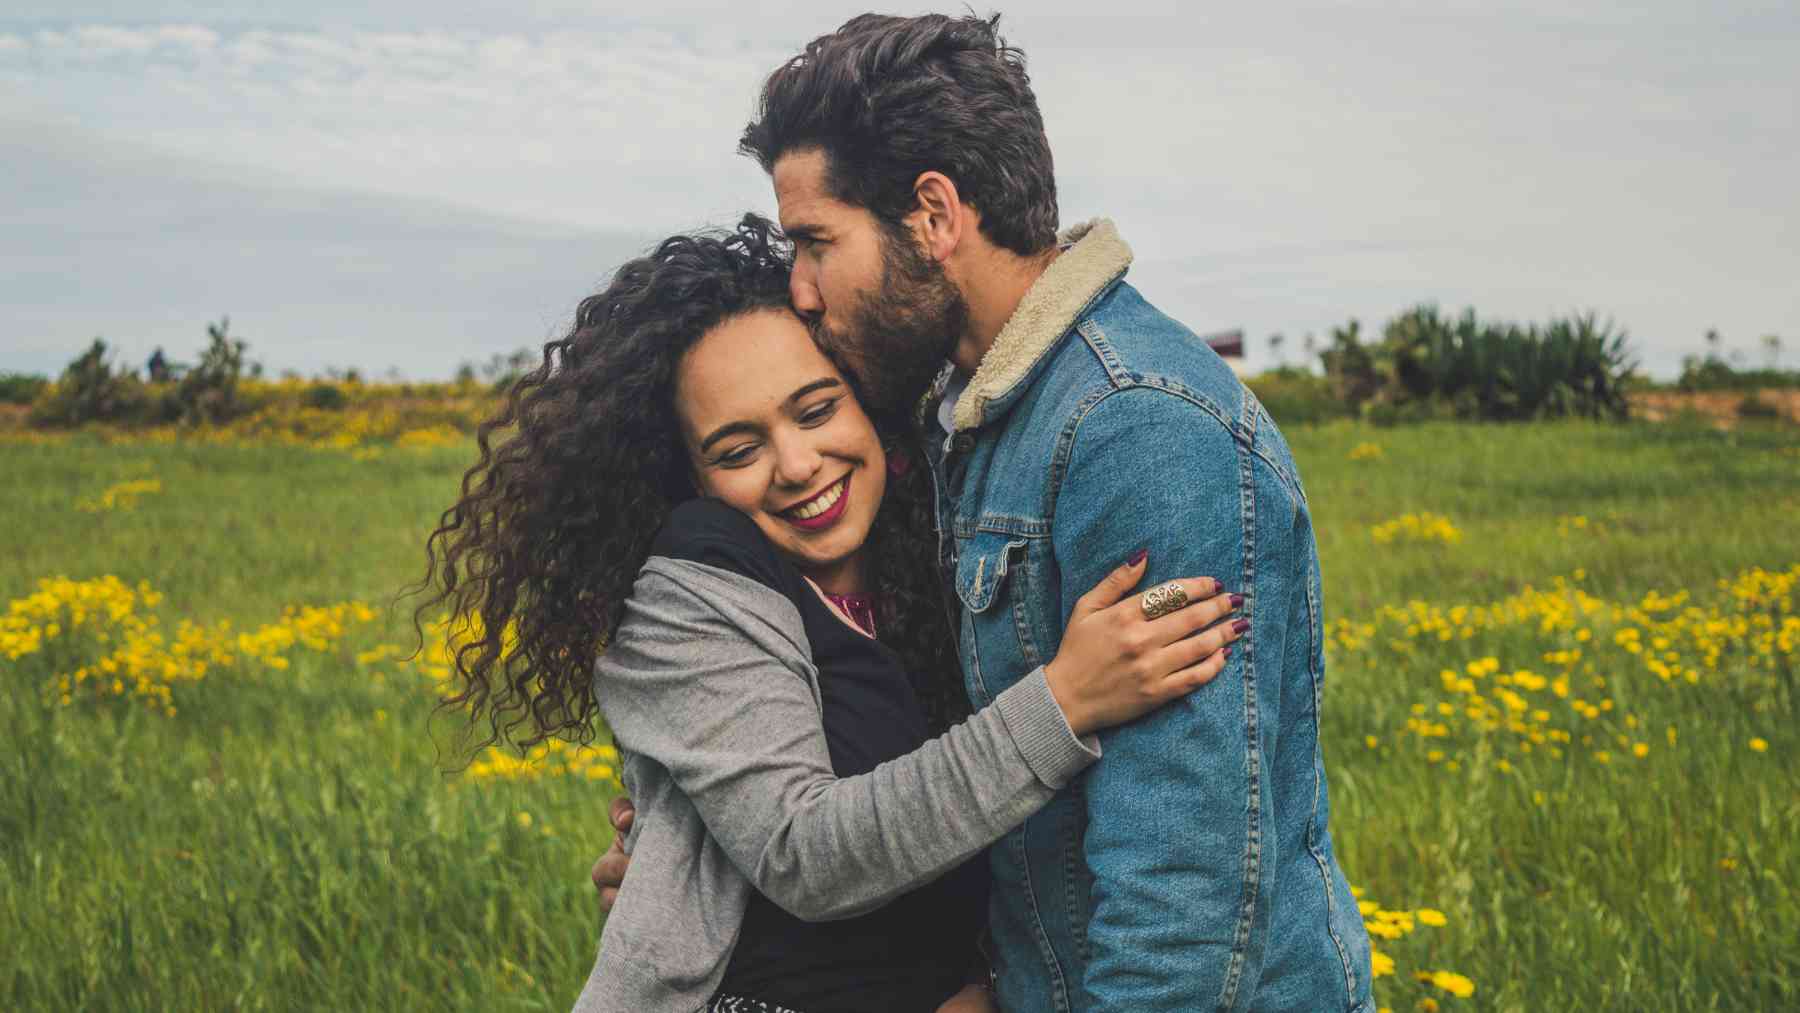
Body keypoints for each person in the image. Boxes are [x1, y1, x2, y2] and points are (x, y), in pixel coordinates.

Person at [594, 13, 1374, 1013]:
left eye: (816, 242)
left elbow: (1186, 895)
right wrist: (688, 869)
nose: (799, 287)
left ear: (933, 215)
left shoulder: (1134, 430)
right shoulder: (969, 421)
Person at [416, 218, 1245, 1013]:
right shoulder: (692, 583)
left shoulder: (937, 560)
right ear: (694, 478)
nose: (797, 464)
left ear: (873, 409)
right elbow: (805, 852)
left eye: (816, 410)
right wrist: (1066, 700)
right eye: (738, 451)